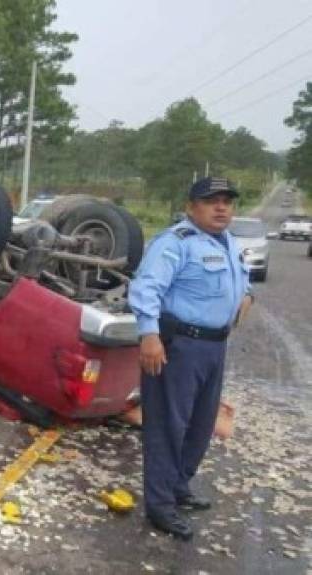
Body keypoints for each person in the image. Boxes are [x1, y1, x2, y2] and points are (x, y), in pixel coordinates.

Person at [128, 177, 254, 541]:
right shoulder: (175, 243)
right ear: (191, 207)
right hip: (178, 346)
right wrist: (149, 334)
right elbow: (147, 287)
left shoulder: (229, 243)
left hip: (214, 347)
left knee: (200, 425)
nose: (221, 207)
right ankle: (160, 506)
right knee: (168, 426)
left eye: (227, 201)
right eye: (211, 201)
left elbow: (242, 284)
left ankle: (179, 486)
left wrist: (247, 298)